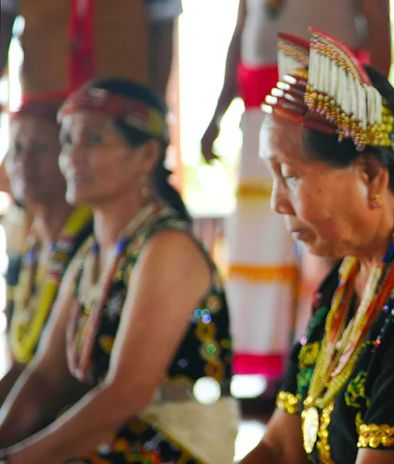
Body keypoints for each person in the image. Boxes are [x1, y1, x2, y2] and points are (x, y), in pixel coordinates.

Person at [240, 31, 394, 464]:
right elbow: (278, 445)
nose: (277, 201)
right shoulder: (342, 285)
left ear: (371, 177)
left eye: (292, 175)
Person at [0, 79, 236, 463]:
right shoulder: (91, 255)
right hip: (118, 435)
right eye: (68, 141)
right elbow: (46, 376)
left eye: (92, 141)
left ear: (146, 155)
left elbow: (127, 392)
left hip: (177, 441)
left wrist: (16, 460)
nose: (73, 157)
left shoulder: (165, 247)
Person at [199, 0, 391, 381]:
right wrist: (219, 112)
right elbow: (241, 32)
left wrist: (374, 113)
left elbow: (379, 31)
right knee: (261, 239)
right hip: (258, 115)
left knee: (324, 236)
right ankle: (278, 374)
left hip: (327, 117)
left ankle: (326, 358)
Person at [0, 98, 93, 406]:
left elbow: (55, 377)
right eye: (17, 149)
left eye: (40, 149)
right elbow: (24, 367)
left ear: (69, 157)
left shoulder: (91, 240)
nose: (23, 163)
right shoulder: (26, 243)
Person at [0, 0, 181, 99]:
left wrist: (156, 104)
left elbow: (163, 22)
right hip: (44, 102)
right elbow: (4, 18)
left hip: (121, 102)